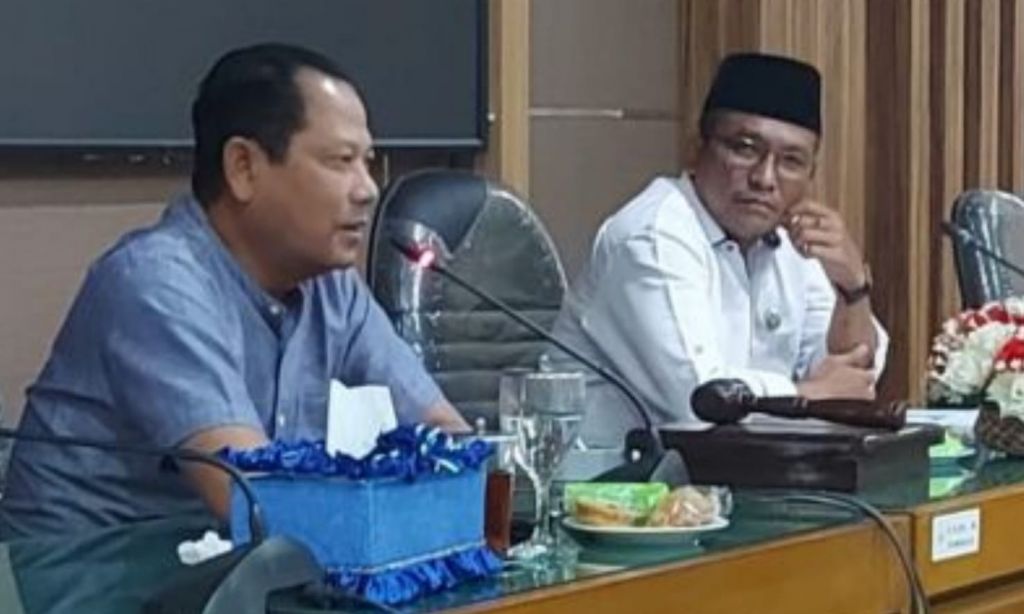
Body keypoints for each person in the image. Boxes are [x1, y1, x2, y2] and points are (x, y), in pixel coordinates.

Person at [0, 43, 467, 538]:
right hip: (80, 573)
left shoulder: (333, 288)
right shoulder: (156, 284)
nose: (367, 188)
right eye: (341, 161)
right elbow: (258, 501)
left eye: (368, 162)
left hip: (221, 569)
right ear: (243, 167)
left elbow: (447, 438)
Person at [547, 53, 889, 447]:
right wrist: (806, 397)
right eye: (745, 149)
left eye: (791, 161)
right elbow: (699, 400)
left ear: (810, 174)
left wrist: (852, 288)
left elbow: (851, 378)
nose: (765, 178)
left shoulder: (791, 243)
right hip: (606, 477)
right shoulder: (652, 235)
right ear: (697, 149)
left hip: (732, 470)